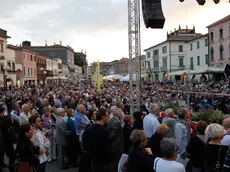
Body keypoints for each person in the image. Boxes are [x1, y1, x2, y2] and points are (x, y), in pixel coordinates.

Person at [107, 108, 124, 172]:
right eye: (121, 112)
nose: (122, 114)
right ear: (118, 114)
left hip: (113, 146)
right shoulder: (116, 122)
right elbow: (112, 135)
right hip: (116, 146)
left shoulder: (111, 120)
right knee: (116, 162)